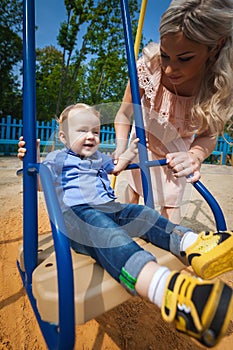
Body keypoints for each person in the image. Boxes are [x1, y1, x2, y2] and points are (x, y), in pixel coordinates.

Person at [18, 103, 233, 348]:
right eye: (81, 131)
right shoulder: (56, 159)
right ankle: (165, 289)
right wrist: (32, 160)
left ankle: (190, 243)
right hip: (77, 217)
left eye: (95, 132)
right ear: (63, 136)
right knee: (105, 232)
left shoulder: (98, 158)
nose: (90, 136)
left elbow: (117, 166)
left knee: (140, 212)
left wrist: (131, 151)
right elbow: (38, 184)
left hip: (111, 207)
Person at [114, 0, 233, 223]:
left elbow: (208, 135)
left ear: (216, 46)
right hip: (142, 142)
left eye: (184, 58)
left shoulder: (217, 86)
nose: (169, 68)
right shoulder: (149, 68)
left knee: (170, 216)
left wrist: (194, 156)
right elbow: (123, 114)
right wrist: (121, 147)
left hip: (177, 156)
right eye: (165, 54)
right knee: (132, 198)